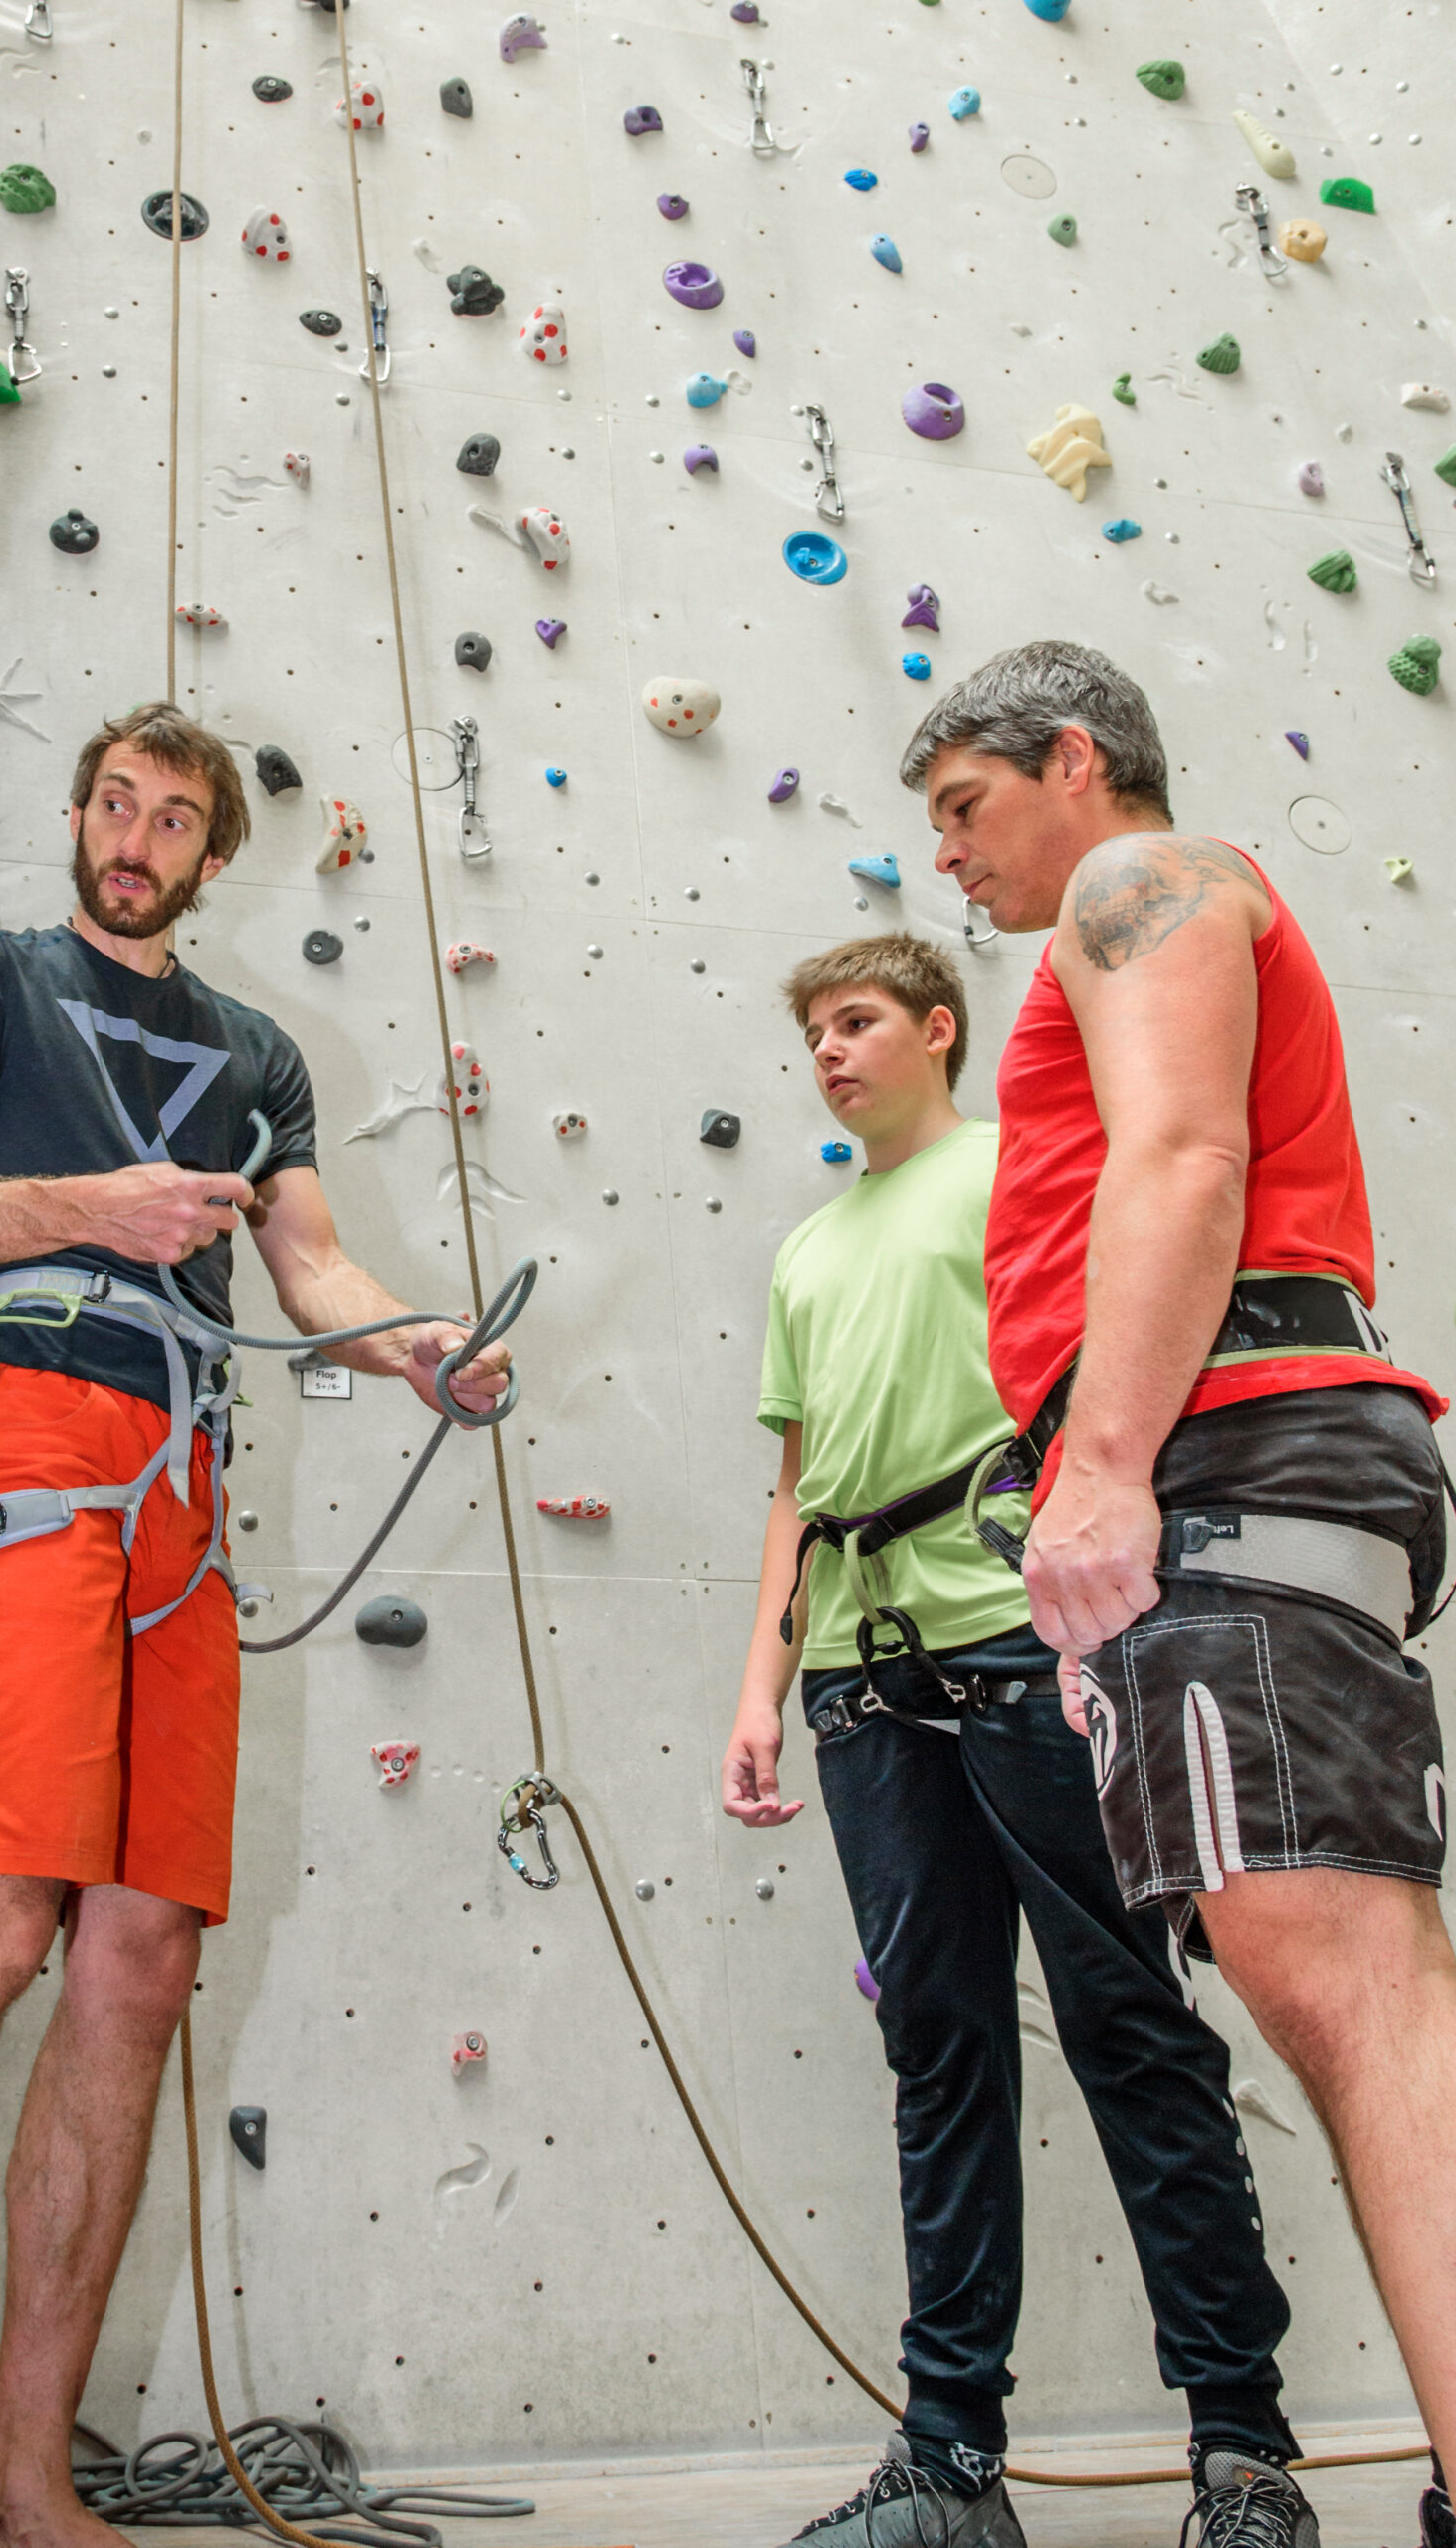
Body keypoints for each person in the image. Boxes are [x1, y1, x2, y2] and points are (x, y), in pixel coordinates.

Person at [0, 701, 514, 2548]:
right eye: (114, 802)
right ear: (77, 815)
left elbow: (307, 1262)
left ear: (212, 857)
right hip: (28, 1426)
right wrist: (87, 1208)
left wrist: (415, 1341)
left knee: (138, 1966)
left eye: (173, 817)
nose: (135, 835)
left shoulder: (256, 1050)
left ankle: (26, 2480)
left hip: (186, 1486)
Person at [905, 640, 1456, 2543]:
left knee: (1360, 1994)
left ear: (1078, 760)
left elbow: (1186, 1152)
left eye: (968, 808)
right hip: (1240, 1453)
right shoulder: (1147, 900)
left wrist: (1114, 1466)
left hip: (1228, 1443)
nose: (954, 864)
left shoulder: (1150, 879)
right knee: (1342, 1985)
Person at [724, 932, 1312, 2548]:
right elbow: (797, 1487)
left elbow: (1107, 1360)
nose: (830, 1052)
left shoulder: (1017, 1176)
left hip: (1015, 1640)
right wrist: (762, 1688)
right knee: (940, 2058)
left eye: (856, 1022)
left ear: (936, 1029)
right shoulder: (804, 1254)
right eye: (813, 1031)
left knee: (1131, 2026)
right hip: (858, 1671)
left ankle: (1244, 2453)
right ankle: (949, 2467)